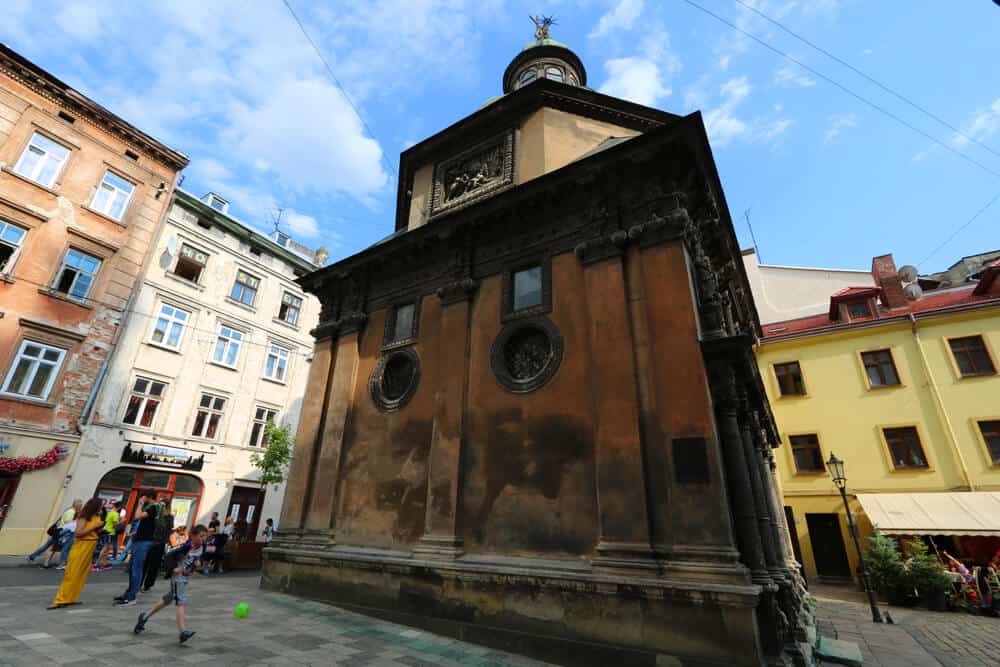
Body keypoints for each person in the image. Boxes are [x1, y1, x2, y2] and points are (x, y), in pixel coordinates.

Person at [133, 524, 208, 644]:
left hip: (185, 577)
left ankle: (145, 616)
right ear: (193, 536)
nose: (203, 539)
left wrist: (199, 563)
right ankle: (183, 631)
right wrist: (174, 568)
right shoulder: (187, 546)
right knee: (181, 602)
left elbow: (199, 558)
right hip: (179, 578)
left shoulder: (203, 545)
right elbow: (171, 556)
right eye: (201, 536)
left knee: (168, 599)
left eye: (205, 536)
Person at [47, 498, 104, 609]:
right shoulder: (84, 517)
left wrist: (100, 530)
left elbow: (93, 532)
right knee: (72, 574)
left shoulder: (97, 517)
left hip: (90, 547)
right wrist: (94, 527)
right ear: (94, 506)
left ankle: (71, 598)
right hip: (81, 546)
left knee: (81, 575)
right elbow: (78, 533)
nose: (101, 508)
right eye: (100, 506)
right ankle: (59, 600)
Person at [114, 490, 160, 606]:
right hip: (140, 540)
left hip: (144, 541)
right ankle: (129, 593)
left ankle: (131, 597)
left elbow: (137, 516)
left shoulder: (153, 507)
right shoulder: (152, 507)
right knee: (133, 568)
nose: (141, 499)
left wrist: (140, 504)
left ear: (148, 497)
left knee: (136, 569)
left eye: (143, 497)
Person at [28, 499, 81, 566]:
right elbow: (67, 522)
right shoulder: (71, 512)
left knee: (48, 546)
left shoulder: (68, 510)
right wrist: (75, 522)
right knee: (53, 548)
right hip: (61, 532)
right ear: (77, 506)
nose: (80, 508)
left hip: (59, 531)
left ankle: (32, 557)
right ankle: (45, 563)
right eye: (80, 506)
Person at [141, 501, 173, 593]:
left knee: (154, 566)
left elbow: (169, 530)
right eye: (160, 504)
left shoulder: (169, 517)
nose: (161, 507)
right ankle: (139, 583)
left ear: (166, 506)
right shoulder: (155, 514)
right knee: (144, 563)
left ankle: (148, 585)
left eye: (163, 505)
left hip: (159, 543)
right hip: (150, 541)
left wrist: (164, 541)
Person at [94, 501, 123, 571]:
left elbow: (107, 522)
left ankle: (103, 563)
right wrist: (121, 521)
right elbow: (115, 524)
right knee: (105, 548)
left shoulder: (110, 512)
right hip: (110, 532)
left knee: (107, 548)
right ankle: (97, 564)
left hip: (106, 531)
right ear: (119, 507)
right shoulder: (115, 514)